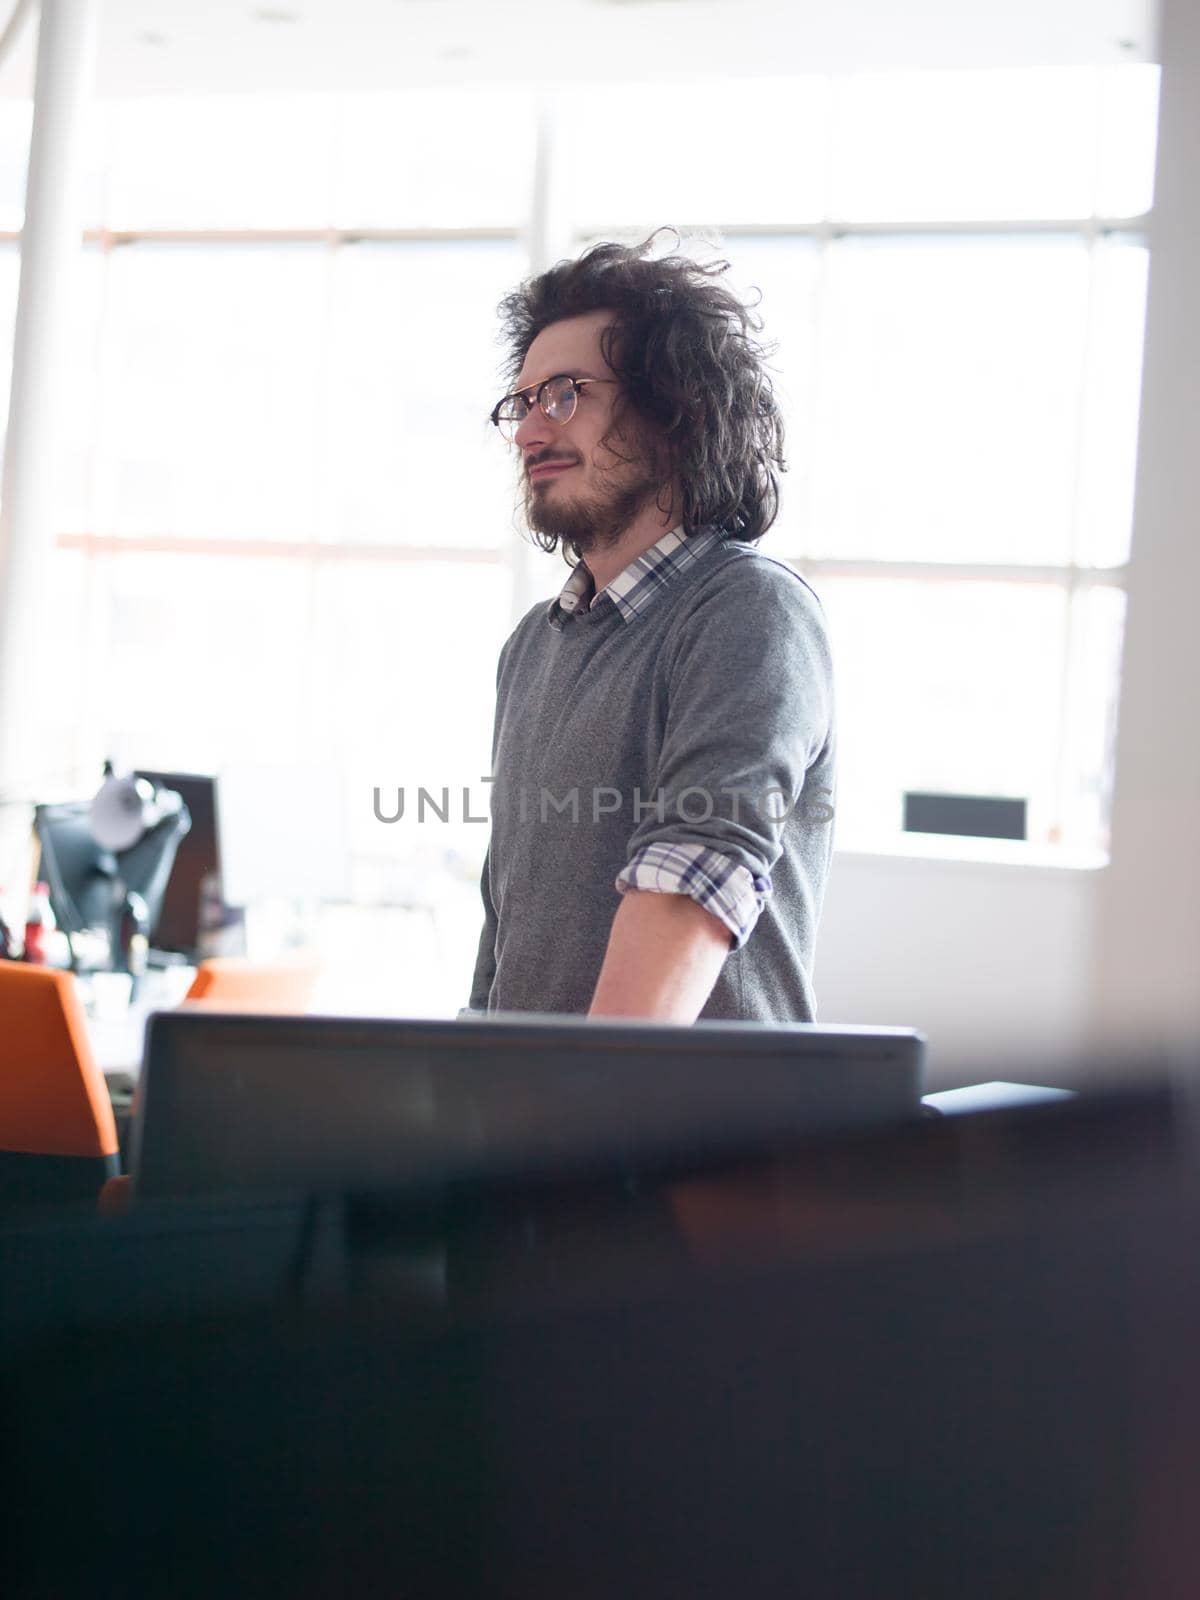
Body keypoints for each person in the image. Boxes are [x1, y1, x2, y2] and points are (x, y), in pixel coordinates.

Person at [467, 234, 835, 1024]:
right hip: (539, 1134)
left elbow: (695, 877)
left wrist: (581, 1114)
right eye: (522, 404)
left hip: (693, 1138)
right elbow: (506, 930)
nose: (531, 431)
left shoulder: (747, 611)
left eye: (565, 393)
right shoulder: (532, 647)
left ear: (677, 414)